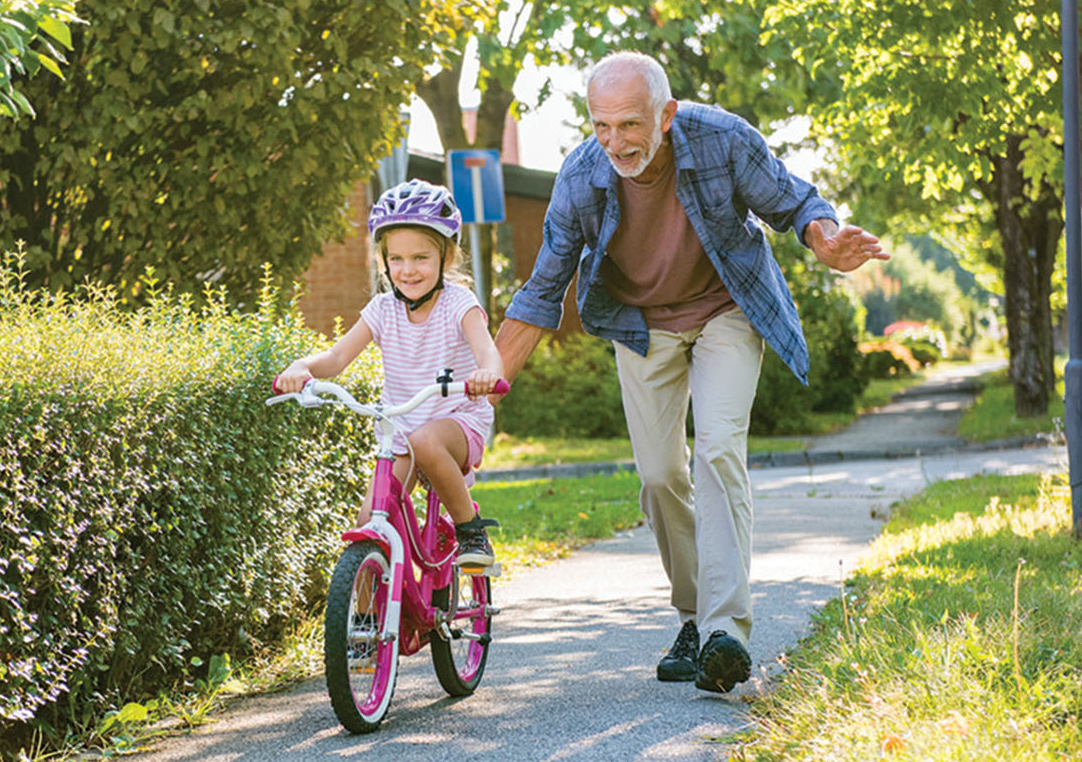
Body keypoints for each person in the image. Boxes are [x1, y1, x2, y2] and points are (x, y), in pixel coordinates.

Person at [493, 52, 889, 692]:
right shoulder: (582, 176)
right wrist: (487, 393)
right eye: (601, 126)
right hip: (639, 323)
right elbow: (543, 291)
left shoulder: (721, 139)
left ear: (666, 114)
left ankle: (723, 631)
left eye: (629, 125)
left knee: (719, 451)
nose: (615, 142)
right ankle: (692, 616)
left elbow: (795, 202)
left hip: (726, 308)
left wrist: (825, 240)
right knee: (658, 474)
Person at [276, 180, 506, 570]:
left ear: (446, 258)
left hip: (458, 422)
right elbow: (336, 356)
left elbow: (489, 353)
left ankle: (471, 530)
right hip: (402, 428)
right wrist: (302, 367)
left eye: (420, 257)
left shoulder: (459, 304)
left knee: (426, 441)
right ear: (383, 260)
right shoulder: (382, 310)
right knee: (370, 523)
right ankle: (366, 623)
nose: (407, 269)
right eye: (396, 259)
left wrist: (487, 374)